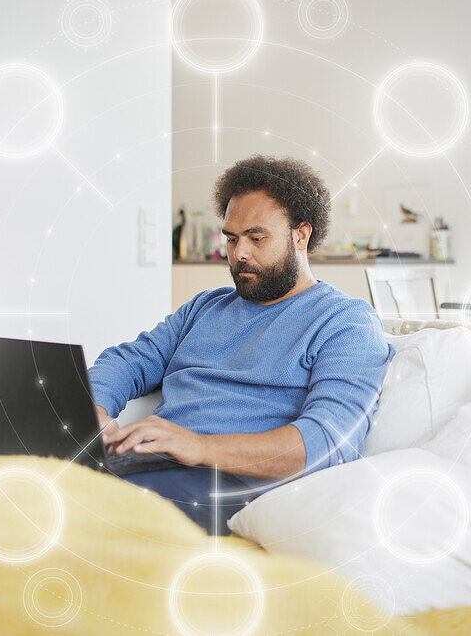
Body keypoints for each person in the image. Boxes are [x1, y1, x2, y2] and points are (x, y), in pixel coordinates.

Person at [89, 155, 394, 534]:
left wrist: (199, 446)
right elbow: (129, 361)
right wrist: (96, 412)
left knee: (79, 513)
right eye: (232, 239)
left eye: (256, 237)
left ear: (301, 235)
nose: (239, 254)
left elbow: (330, 441)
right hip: (149, 463)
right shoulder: (205, 308)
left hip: (232, 484)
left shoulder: (345, 323)